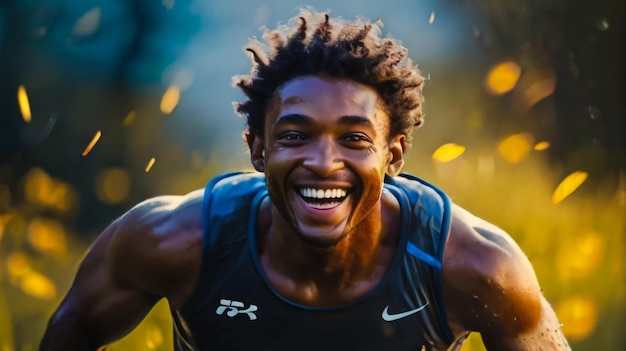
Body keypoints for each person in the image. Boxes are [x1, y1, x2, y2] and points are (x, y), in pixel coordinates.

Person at [40, 8, 571, 351]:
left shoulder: (475, 265)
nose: (323, 162)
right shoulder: (175, 241)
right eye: (295, 135)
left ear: (394, 155)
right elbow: (74, 330)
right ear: (257, 148)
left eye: (354, 139)